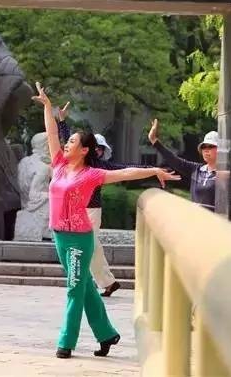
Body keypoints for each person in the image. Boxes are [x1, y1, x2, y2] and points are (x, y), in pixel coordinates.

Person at [33, 82, 180, 359]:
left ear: (85, 150)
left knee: (74, 288)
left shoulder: (92, 175)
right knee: (85, 286)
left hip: (79, 238)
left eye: (72, 142)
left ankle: (66, 342)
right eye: (68, 141)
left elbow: (125, 173)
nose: (67, 144)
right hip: (59, 236)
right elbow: (52, 132)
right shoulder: (59, 165)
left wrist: (154, 170)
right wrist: (48, 107)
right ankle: (107, 334)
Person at [57, 103, 151, 297]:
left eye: (100, 149)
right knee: (91, 247)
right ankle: (106, 282)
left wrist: (153, 170)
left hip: (91, 210)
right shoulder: (73, 161)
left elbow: (127, 169)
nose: (98, 151)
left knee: (90, 246)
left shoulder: (100, 166)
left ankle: (102, 282)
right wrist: (62, 121)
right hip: (74, 211)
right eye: (96, 148)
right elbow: (68, 142)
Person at [148, 119, 217, 211]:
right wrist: (154, 141)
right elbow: (174, 160)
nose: (206, 150)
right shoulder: (196, 169)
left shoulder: (226, 174)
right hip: (196, 218)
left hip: (215, 219)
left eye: (211, 146)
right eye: (204, 147)